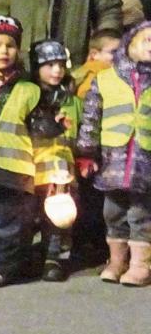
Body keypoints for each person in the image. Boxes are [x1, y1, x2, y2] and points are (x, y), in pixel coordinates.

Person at [0, 16, 60, 288]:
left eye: (10, 45)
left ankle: (2, 266)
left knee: (11, 221)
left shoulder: (29, 89)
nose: (3, 51)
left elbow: (40, 126)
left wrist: (53, 124)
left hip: (16, 166)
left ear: (18, 51)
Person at [77, 21, 151, 286]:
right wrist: (87, 152)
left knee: (141, 215)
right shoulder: (106, 78)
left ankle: (140, 264)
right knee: (113, 212)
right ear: (129, 46)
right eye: (146, 40)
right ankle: (117, 261)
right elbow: (91, 118)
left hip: (145, 164)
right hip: (113, 161)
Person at [28, 40, 82, 282]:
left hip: (62, 168)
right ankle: (31, 255)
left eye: (60, 65)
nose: (56, 71)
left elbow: (81, 132)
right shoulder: (31, 99)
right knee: (30, 216)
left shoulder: (72, 101)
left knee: (60, 218)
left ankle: (55, 258)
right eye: (49, 65)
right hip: (33, 166)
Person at [73, 29, 122, 99]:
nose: (119, 55)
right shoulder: (93, 76)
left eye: (122, 51)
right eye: (113, 52)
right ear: (94, 54)